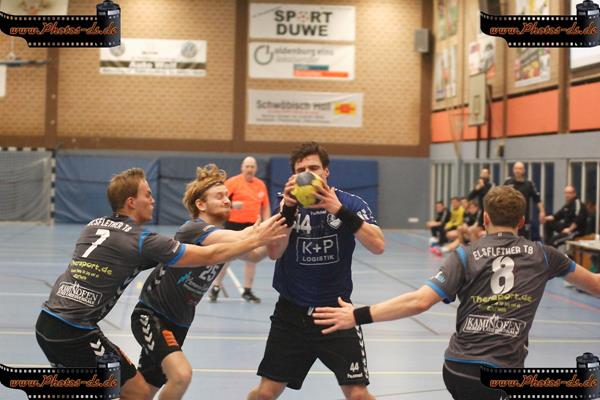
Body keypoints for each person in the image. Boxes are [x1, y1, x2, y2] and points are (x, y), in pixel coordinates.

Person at [313, 186, 600, 400]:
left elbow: (419, 301)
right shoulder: (545, 255)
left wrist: (358, 315)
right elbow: (596, 286)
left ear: (484, 218)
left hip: (458, 369)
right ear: (522, 221)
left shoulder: (465, 255)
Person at [35, 168, 286, 400]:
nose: (153, 200)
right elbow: (212, 253)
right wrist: (285, 215)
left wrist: (274, 235)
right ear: (131, 202)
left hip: (48, 321)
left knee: (141, 391)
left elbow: (249, 251)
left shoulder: (93, 226)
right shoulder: (145, 239)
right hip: (79, 329)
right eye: (147, 194)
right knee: (151, 386)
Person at [247, 142, 385, 400]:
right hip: (291, 313)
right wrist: (288, 210)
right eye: (301, 170)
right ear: (293, 176)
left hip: (336, 312)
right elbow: (274, 252)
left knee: (357, 394)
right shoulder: (284, 206)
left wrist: (338, 210)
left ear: (326, 172)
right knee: (265, 393)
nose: (308, 174)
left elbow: (378, 245)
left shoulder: (349, 202)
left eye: (314, 168)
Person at [130, 164, 271, 400]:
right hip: (152, 315)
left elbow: (255, 255)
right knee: (181, 376)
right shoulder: (193, 229)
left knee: (144, 391)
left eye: (227, 195)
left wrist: (287, 233)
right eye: (219, 196)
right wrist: (288, 212)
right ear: (201, 204)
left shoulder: (223, 237)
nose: (226, 200)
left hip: (180, 322)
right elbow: (245, 236)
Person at [209, 156, 270, 303]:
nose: (249, 169)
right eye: (247, 166)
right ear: (242, 168)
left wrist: (266, 223)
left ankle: (247, 290)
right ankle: (216, 287)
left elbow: (265, 206)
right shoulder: (232, 182)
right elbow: (218, 201)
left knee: (252, 258)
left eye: (252, 166)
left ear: (256, 169)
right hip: (233, 225)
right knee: (226, 257)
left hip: (253, 226)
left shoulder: (260, 185)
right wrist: (232, 205)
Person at [503, 161, 545, 239]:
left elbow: (537, 199)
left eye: (520, 169)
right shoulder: (508, 182)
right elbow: (500, 198)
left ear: (523, 170)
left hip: (524, 218)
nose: (517, 171)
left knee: (523, 239)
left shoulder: (529, 184)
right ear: (513, 170)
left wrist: (542, 212)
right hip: (509, 218)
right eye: (516, 168)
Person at [468, 167, 494, 237]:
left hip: (490, 213)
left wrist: (483, 187)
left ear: (489, 175)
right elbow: (469, 197)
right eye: (482, 173)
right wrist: (476, 189)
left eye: (485, 173)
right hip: (481, 213)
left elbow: (488, 197)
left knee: (486, 233)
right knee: (474, 231)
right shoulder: (479, 185)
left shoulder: (491, 185)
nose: (483, 175)